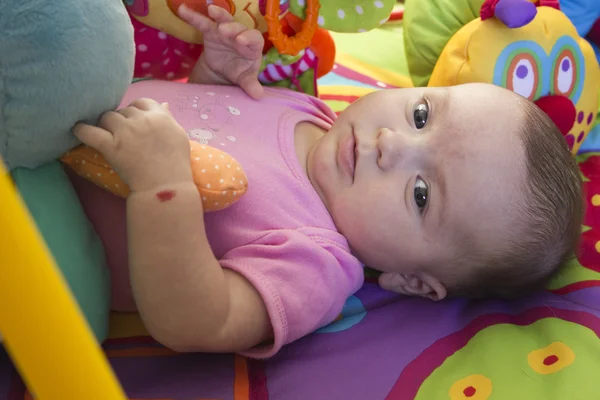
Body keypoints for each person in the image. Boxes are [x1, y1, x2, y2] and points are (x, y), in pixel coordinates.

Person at [72, 5, 583, 357]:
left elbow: (197, 322)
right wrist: (215, 73)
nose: (392, 143)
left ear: (411, 280)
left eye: (421, 194)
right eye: (422, 116)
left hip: (53, 221)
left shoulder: (316, 265)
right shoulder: (314, 114)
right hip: (65, 118)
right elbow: (212, 124)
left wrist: (162, 189)